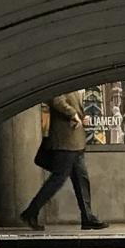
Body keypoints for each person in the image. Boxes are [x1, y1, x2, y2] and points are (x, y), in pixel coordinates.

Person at [20, 92, 107, 230]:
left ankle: (87, 217)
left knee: (81, 180)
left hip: (75, 141)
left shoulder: (76, 86)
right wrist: (73, 114)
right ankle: (31, 212)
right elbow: (56, 100)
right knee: (58, 178)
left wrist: (82, 117)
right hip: (65, 141)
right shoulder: (63, 84)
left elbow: (74, 107)